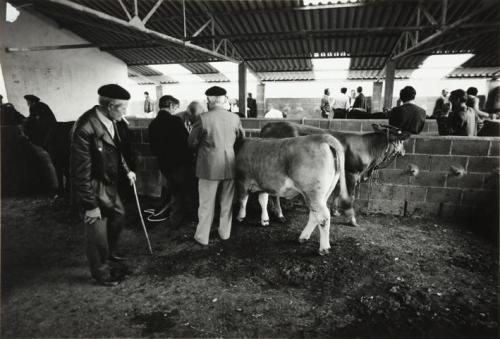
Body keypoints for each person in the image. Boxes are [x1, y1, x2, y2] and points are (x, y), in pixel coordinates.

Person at [70, 84, 136, 286]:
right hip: (92, 185)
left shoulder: (111, 120)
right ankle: (101, 273)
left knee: (118, 216)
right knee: (96, 233)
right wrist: (89, 205)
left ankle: (110, 252)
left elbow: (116, 151)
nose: (126, 111)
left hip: (109, 182)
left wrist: (127, 170)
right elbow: (80, 173)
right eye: (123, 107)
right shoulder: (84, 128)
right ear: (109, 106)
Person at [188, 86, 244, 246]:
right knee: (227, 203)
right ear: (224, 100)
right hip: (230, 165)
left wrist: (200, 147)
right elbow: (241, 139)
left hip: (208, 168)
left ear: (209, 101)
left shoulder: (203, 118)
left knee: (206, 204)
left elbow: (191, 142)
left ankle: (202, 237)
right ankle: (224, 233)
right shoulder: (234, 118)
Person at [149, 95, 195, 228]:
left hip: (163, 164)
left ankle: (169, 216)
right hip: (178, 164)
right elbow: (185, 142)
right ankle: (176, 221)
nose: (176, 110)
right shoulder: (175, 121)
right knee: (179, 193)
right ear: (170, 106)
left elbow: (153, 147)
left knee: (171, 190)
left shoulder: (153, 123)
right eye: (175, 107)